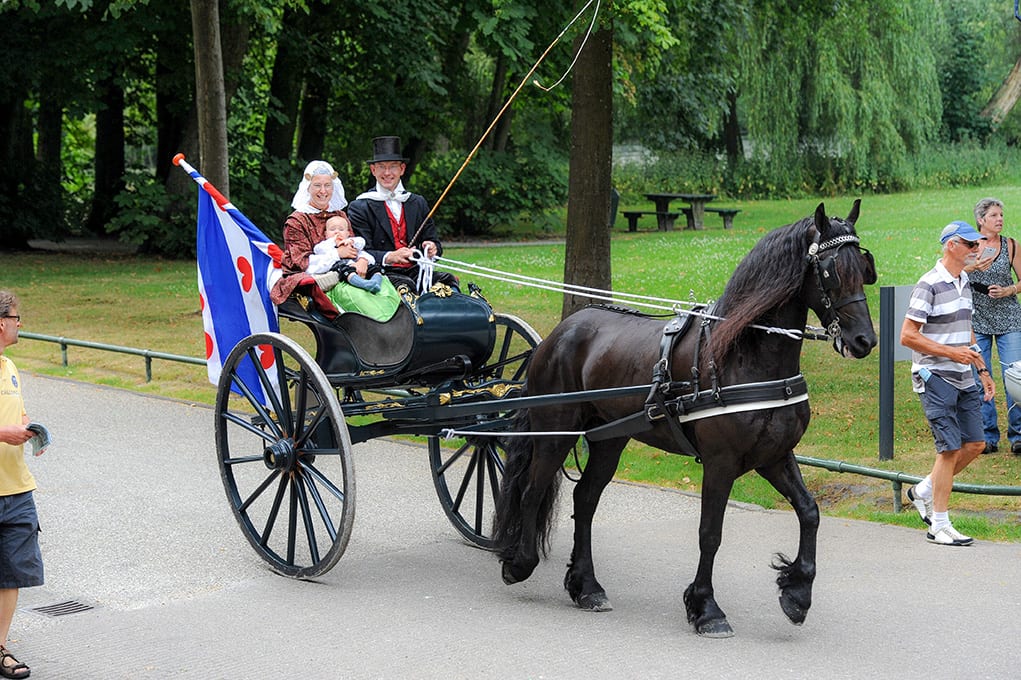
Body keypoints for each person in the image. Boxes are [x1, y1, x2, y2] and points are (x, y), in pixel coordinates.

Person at [900, 221, 995, 546]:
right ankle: (938, 525)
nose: (976, 249)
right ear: (951, 245)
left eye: (977, 244)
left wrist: (982, 369)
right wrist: (951, 354)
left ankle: (922, 491)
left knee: (975, 445)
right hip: (934, 376)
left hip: (963, 375)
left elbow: (965, 327)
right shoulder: (929, 284)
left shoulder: (964, 280)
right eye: (971, 245)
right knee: (950, 448)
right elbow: (907, 336)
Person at [269, 160, 399, 321]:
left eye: (327, 185)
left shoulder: (339, 215)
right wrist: (338, 253)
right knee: (361, 300)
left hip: (350, 270)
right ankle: (378, 331)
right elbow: (302, 263)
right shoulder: (297, 221)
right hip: (322, 280)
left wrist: (363, 260)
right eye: (317, 185)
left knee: (386, 290)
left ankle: (396, 329)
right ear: (308, 187)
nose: (323, 191)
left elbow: (353, 246)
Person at [346, 136, 460, 294]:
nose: (387, 173)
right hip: (383, 272)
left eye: (393, 167)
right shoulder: (360, 207)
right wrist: (390, 256)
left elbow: (434, 243)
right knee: (406, 288)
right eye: (381, 167)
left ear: (402, 169)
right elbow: (360, 250)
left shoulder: (417, 203)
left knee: (448, 281)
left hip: (417, 272)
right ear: (373, 170)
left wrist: (431, 248)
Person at [0, 291, 43, 679]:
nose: (20, 323)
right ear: (1, 322)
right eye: (17, 317)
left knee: (12, 573)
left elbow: (17, 413)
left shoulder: (10, 366)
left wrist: (29, 431)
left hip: (16, 488)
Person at [965, 197, 1021, 454]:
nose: (1000, 219)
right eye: (994, 215)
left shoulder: (1010, 245)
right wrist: (973, 265)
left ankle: (1017, 435)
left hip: (1009, 318)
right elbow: (952, 272)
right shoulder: (968, 244)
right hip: (977, 320)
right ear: (981, 220)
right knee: (980, 377)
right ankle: (988, 436)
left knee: (1014, 377)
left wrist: (1009, 289)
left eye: (1001, 215)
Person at [305, 215, 400, 320]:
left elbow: (363, 246)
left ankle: (375, 282)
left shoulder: (352, 244)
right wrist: (336, 247)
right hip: (344, 275)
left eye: (341, 229)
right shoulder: (325, 246)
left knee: (376, 270)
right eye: (332, 230)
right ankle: (362, 285)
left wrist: (357, 250)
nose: (337, 232)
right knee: (347, 273)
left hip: (364, 271)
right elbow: (318, 251)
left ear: (348, 233)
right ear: (326, 234)